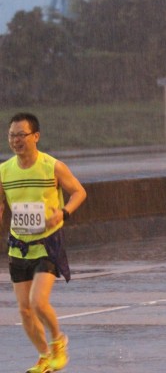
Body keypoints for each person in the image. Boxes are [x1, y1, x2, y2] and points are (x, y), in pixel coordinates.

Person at [0, 113, 87, 373]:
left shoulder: (52, 166)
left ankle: (58, 341)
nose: (16, 140)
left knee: (38, 302)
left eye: (21, 135)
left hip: (48, 244)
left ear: (35, 136)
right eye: (12, 135)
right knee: (25, 311)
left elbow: (79, 192)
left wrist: (63, 213)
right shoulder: (4, 171)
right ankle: (44, 356)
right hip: (19, 246)